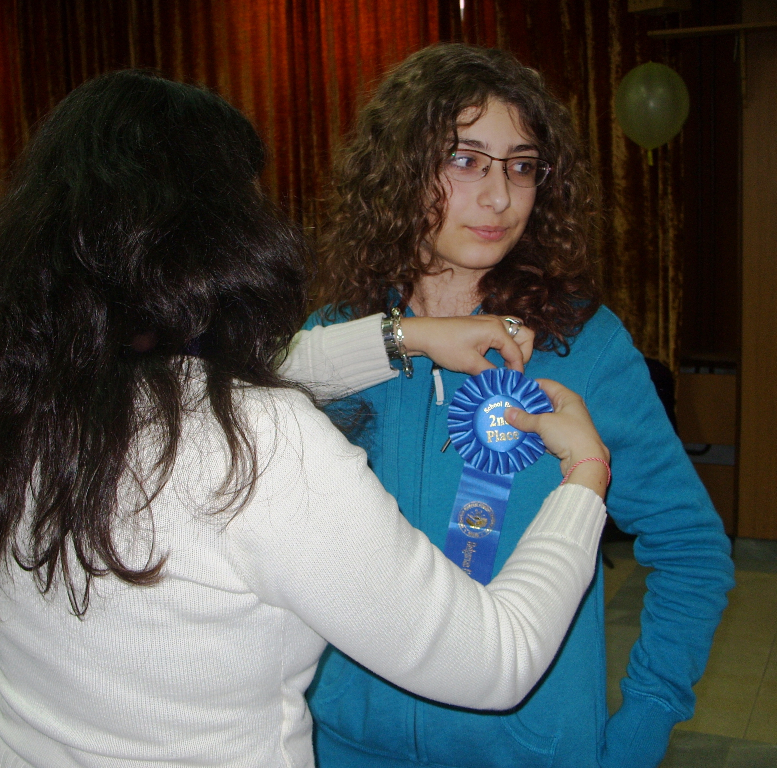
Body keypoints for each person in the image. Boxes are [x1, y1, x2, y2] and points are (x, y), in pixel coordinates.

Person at [0, 69, 611, 768]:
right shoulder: (261, 442)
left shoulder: (12, 401)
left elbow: (261, 371)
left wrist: (405, 336)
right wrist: (584, 476)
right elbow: (496, 661)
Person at [302, 44, 734, 768]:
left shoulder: (583, 345)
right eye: (465, 160)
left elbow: (690, 548)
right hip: (346, 745)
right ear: (399, 170)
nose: (501, 197)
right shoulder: (338, 344)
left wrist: (639, 731)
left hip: (530, 750)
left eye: (522, 166)